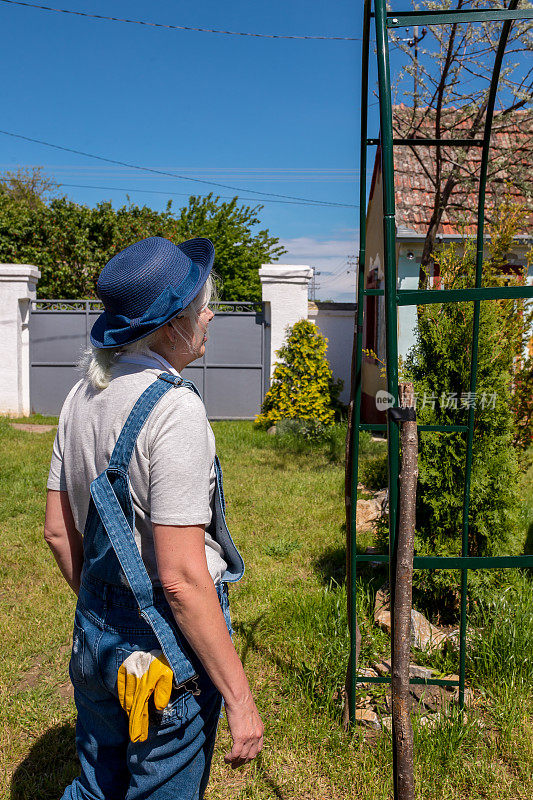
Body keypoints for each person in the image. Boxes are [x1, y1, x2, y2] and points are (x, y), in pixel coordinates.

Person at [44, 236, 263, 800]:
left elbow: (55, 531)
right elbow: (182, 578)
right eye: (201, 307)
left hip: (95, 633)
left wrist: (105, 611)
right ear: (170, 327)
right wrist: (240, 700)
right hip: (165, 644)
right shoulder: (176, 408)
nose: (210, 315)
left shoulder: (79, 398)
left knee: (97, 787)